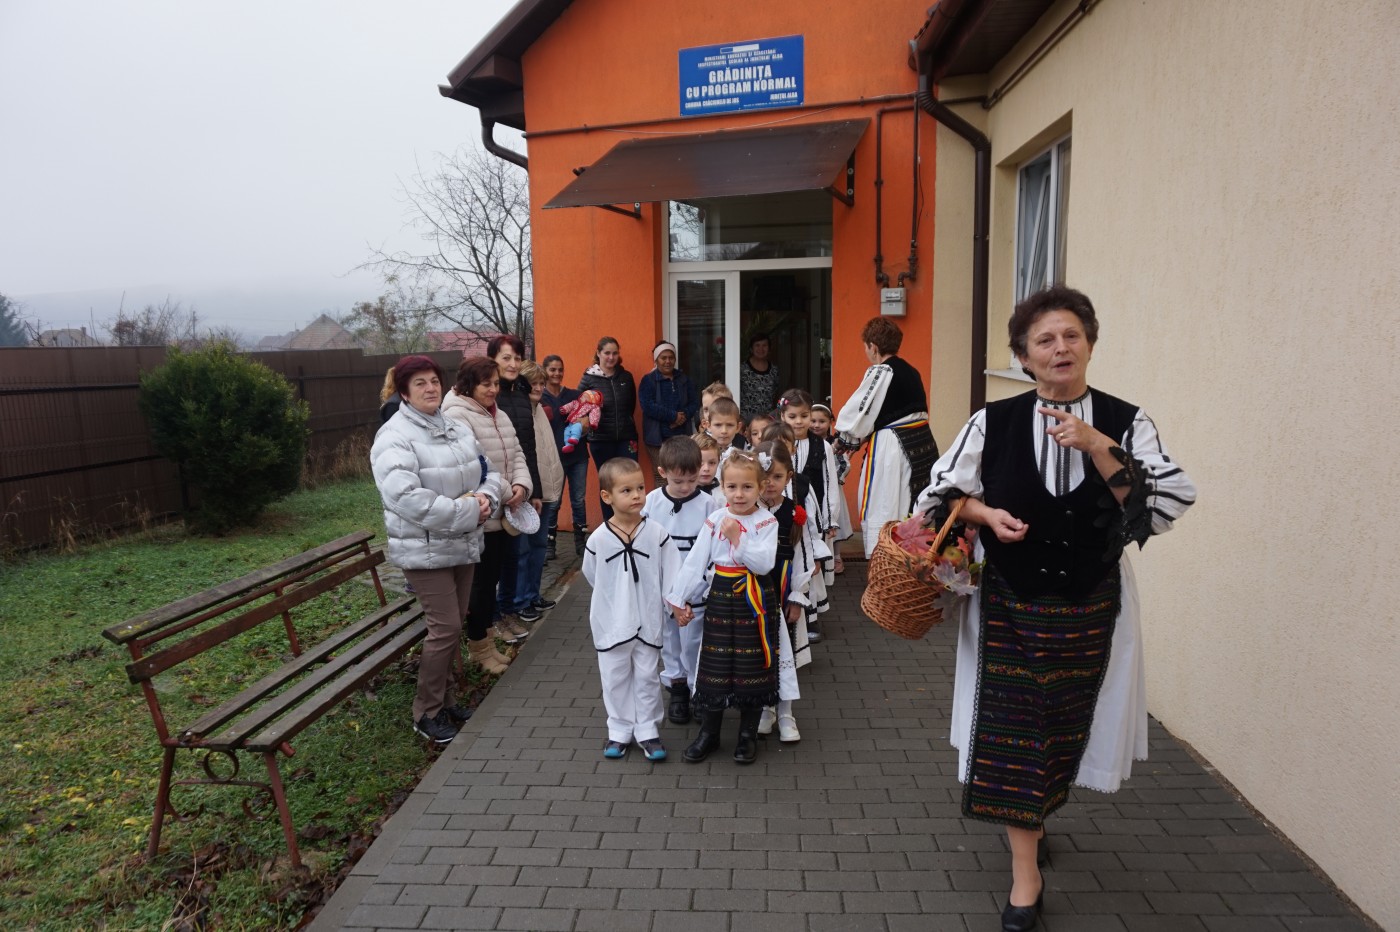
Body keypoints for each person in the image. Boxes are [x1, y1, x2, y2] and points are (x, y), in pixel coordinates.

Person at [913, 285, 1197, 931]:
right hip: (1010, 605)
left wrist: (1097, 445)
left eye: (1072, 335)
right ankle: (1025, 876)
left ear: (1090, 344)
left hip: (1091, 605)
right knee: (1014, 731)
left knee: (1065, 727)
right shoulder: (993, 422)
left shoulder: (1125, 421)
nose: (1060, 347)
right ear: (1024, 356)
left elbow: (1166, 504)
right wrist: (985, 513)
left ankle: (1037, 817)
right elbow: (938, 497)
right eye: (1045, 339)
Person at [370, 355, 505, 743]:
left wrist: (486, 498)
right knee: (445, 628)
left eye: (433, 381)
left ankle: (445, 702)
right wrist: (468, 512)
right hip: (424, 550)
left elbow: (489, 471)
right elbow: (405, 497)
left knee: (454, 623)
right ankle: (426, 712)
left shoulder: (455, 428)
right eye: (419, 383)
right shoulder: (394, 436)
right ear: (404, 392)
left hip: (462, 543)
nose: (430, 388)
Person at [666, 450, 779, 765]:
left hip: (753, 598)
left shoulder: (766, 521)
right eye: (732, 487)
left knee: (751, 665)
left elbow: (763, 564)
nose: (739, 494)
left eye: (747, 487)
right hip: (720, 594)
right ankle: (709, 734)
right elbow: (696, 561)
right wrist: (679, 599)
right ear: (722, 487)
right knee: (714, 665)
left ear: (760, 487)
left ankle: (747, 736)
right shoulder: (715, 519)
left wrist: (737, 539)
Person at [581, 458, 681, 762]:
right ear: (607, 496)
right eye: (626, 490)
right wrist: (614, 601)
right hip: (611, 622)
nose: (637, 495)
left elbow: (672, 572)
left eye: (640, 487)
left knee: (648, 676)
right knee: (614, 677)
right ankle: (620, 730)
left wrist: (675, 605)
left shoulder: (657, 533)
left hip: (648, 620)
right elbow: (592, 575)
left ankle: (648, 730)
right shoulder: (599, 539)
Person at [442, 356, 534, 662]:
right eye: (486, 384)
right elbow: (476, 463)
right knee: (480, 586)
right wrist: (509, 493)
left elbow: (517, 452)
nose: (494, 389)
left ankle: (488, 644)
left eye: (496, 383)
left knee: (492, 579)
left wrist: (521, 485)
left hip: (504, 510)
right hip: (481, 514)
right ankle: (479, 650)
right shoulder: (456, 414)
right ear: (468, 384)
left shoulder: (499, 413)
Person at [835, 317, 940, 558]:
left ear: (873, 346)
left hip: (895, 447)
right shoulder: (911, 371)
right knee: (909, 505)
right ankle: (909, 559)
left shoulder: (882, 371)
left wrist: (841, 439)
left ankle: (887, 557)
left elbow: (857, 414)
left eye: (865, 347)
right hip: (920, 442)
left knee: (887, 502)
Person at [641, 436, 715, 726]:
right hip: (664, 586)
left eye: (692, 480)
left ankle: (699, 690)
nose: (686, 487)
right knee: (670, 640)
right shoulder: (652, 502)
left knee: (694, 640)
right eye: (678, 481)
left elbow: (712, 549)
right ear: (663, 473)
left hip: (695, 589)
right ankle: (678, 688)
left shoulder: (708, 504)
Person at [751, 441, 816, 745]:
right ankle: (766, 707)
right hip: (753, 594)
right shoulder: (747, 511)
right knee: (761, 653)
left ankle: (786, 712)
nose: (769, 484)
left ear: (789, 477)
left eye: (777, 477)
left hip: (782, 591)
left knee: (784, 651)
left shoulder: (794, 513)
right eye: (763, 477)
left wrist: (797, 597)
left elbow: (804, 558)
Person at [486, 335, 542, 626]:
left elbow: (527, 448)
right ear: (492, 359)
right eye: (506, 358)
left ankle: (510, 609)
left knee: (515, 553)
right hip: (494, 490)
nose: (513, 364)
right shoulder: (487, 397)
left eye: (517, 358)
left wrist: (534, 490)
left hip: (521, 486)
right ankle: (496, 614)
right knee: (499, 558)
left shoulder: (521, 393)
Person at [513, 361, 563, 624]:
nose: (539, 387)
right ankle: (520, 601)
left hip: (545, 490)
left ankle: (533, 595)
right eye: (533, 383)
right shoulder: (518, 411)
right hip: (529, 492)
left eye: (541, 383)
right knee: (523, 551)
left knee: (539, 548)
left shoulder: (539, 410)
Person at [578, 336, 639, 520]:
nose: (611, 357)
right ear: (598, 353)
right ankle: (610, 523)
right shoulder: (588, 378)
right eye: (607, 353)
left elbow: (631, 405)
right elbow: (580, 408)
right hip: (601, 440)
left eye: (614, 353)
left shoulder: (626, 377)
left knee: (629, 480)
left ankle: (629, 520)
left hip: (626, 438)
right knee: (608, 483)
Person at [541, 354, 589, 556]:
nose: (557, 373)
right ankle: (549, 544)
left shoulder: (575, 395)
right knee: (554, 502)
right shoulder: (539, 398)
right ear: (545, 371)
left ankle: (580, 542)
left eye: (560, 369)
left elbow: (587, 420)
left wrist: (585, 425)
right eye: (552, 369)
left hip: (577, 456)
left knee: (578, 500)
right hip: (553, 458)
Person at [639, 340, 700, 484]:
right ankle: (662, 499)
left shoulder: (683, 379)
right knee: (662, 475)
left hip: (681, 436)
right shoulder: (648, 380)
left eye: (671, 357)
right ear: (656, 360)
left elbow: (694, 402)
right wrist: (672, 416)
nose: (668, 361)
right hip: (657, 438)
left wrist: (682, 416)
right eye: (663, 358)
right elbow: (647, 406)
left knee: (682, 472)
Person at [810, 402, 853, 573]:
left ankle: (836, 557)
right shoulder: (805, 442)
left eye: (821, 421)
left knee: (834, 522)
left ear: (830, 422)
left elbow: (844, 465)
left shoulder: (835, 444)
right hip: (814, 489)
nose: (816, 425)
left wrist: (835, 478)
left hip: (831, 490)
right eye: (813, 420)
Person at [739, 333, 780, 422]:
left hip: (767, 419)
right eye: (757, 345)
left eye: (764, 345)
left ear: (769, 348)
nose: (761, 349)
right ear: (751, 348)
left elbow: (775, 393)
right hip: (745, 419)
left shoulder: (774, 370)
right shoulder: (742, 369)